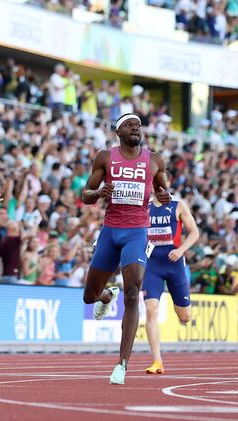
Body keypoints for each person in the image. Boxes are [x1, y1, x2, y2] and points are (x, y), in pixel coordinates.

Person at [81, 113, 170, 385]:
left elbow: (164, 193)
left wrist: (164, 196)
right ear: (118, 131)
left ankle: (122, 364)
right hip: (110, 232)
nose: (136, 128)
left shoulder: (155, 160)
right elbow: (85, 195)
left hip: (137, 232)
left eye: (138, 125)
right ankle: (106, 297)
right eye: (130, 125)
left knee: (133, 293)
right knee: (89, 296)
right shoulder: (105, 157)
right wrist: (97, 194)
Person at [143, 179, 198, 375]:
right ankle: (157, 361)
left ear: (168, 183)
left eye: (163, 181)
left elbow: (194, 232)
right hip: (152, 265)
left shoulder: (178, 205)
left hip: (175, 264)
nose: (159, 185)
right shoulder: (144, 206)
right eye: (155, 181)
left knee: (185, 316)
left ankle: (183, 307)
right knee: (151, 310)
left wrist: (181, 250)